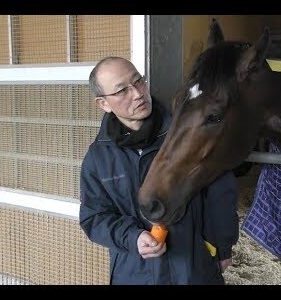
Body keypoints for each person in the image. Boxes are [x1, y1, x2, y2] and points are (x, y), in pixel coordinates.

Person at [79, 56, 239, 285]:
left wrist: (222, 248)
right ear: (103, 104)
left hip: (193, 270)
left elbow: (220, 192)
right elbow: (94, 217)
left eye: (138, 81)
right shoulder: (98, 158)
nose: (137, 93)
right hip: (133, 274)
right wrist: (132, 238)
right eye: (122, 91)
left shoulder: (186, 135)